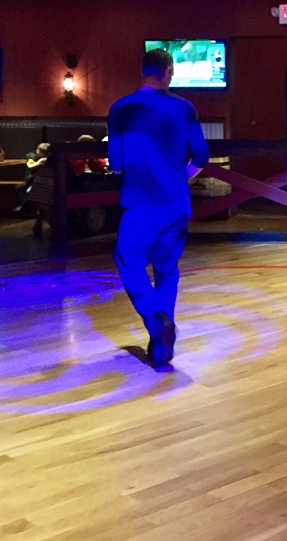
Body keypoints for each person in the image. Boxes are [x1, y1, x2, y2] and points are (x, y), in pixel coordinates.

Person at [108, 48, 209, 369]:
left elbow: (115, 164)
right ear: (167, 71)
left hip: (140, 205)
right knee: (167, 270)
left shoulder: (120, 108)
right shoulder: (184, 107)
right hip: (178, 204)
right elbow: (202, 156)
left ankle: (155, 319)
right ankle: (161, 347)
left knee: (129, 263)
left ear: (143, 71)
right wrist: (182, 177)